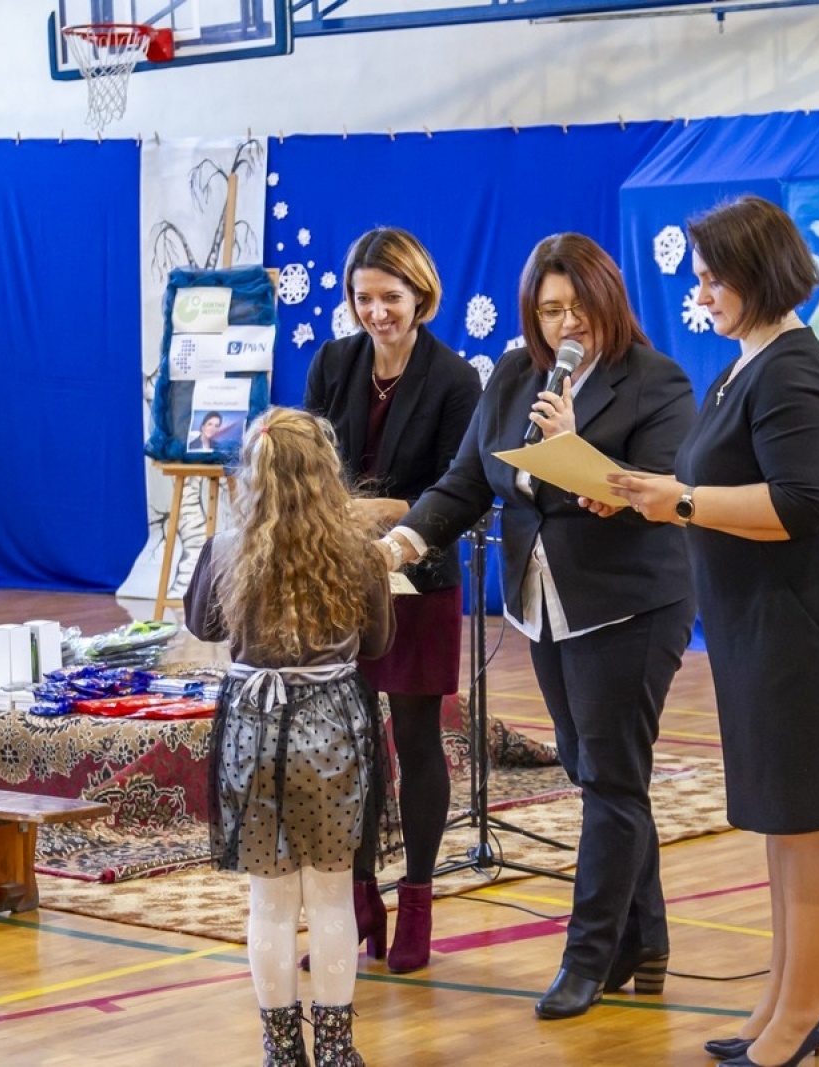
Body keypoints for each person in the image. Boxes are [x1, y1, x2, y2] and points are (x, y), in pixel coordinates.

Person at [609, 196, 819, 1067]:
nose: (701, 294)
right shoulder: (746, 364)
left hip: (810, 618)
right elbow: (716, 485)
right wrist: (645, 494)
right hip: (761, 619)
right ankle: (781, 1003)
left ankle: (801, 1017)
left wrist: (682, 500)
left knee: (810, 824)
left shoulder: (791, 370)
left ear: (759, 274)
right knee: (784, 819)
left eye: (714, 279)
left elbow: (800, 503)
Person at [381, 233, 697, 1020]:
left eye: (579, 307)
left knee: (612, 778)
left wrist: (574, 449)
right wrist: (403, 541)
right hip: (545, 602)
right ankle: (647, 940)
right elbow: (465, 480)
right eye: (550, 310)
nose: (567, 324)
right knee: (595, 769)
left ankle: (588, 957)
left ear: (609, 301)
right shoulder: (516, 376)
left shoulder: (655, 380)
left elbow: (665, 489)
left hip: (632, 603)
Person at [183, 406, 396, 1067]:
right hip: (332, 727)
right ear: (328, 473)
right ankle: (335, 1049)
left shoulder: (229, 547)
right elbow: (379, 642)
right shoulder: (357, 551)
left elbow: (202, 625)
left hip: (253, 726)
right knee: (331, 894)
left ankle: (281, 1050)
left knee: (270, 901)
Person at [303, 227, 481, 973]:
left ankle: (417, 900)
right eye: (363, 298)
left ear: (421, 297)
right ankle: (358, 900)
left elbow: (456, 490)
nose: (376, 312)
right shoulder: (332, 362)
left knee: (415, 740)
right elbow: (312, 468)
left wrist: (376, 512)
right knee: (347, 745)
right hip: (341, 581)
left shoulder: (455, 380)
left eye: (390, 298)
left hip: (419, 581)